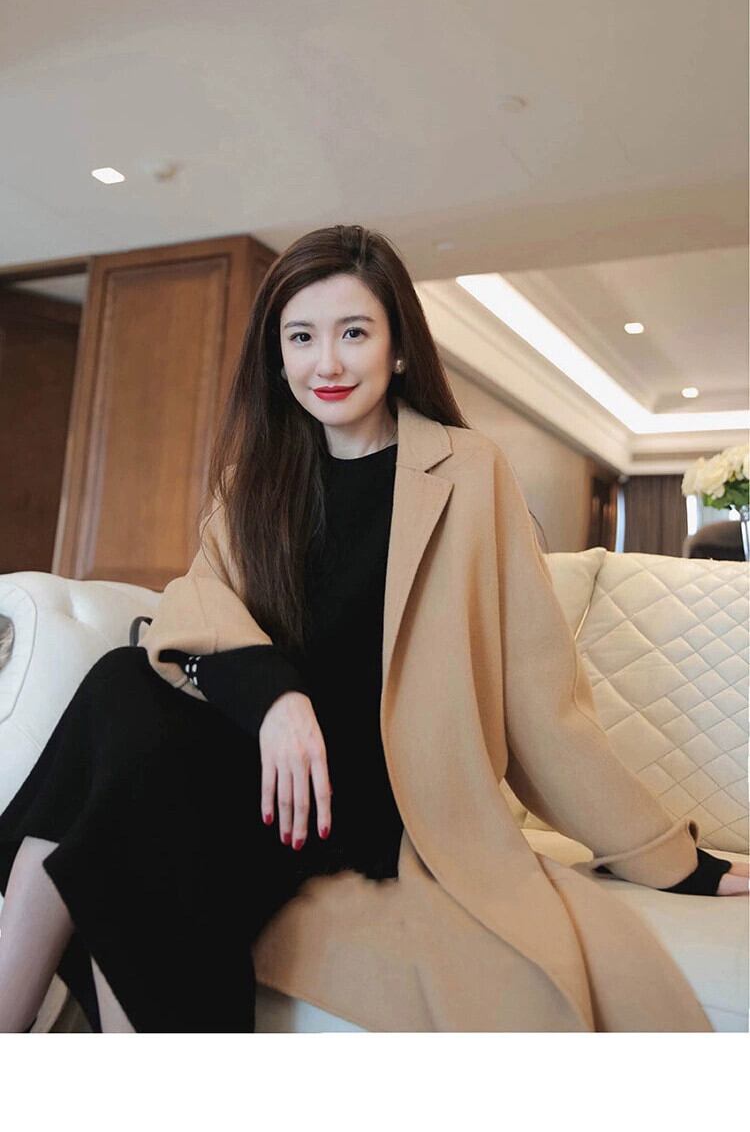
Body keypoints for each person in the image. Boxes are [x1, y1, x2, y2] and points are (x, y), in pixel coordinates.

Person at [0, 224, 746, 1035]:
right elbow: (197, 605)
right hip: (260, 772)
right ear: (276, 357)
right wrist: (277, 699)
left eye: (353, 333)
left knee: (120, 774)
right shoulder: (255, 484)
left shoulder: (469, 471)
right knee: (121, 700)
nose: (326, 362)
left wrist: (670, 858)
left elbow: (541, 705)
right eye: (301, 338)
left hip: (372, 798)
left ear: (397, 350)